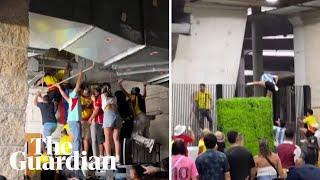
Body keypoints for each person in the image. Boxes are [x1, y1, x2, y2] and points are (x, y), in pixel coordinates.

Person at [118, 79, 154, 153]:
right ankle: (147, 151)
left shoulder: (133, 97)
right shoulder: (141, 97)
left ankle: (149, 142)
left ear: (133, 92)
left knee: (134, 135)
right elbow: (145, 95)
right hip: (146, 118)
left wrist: (120, 84)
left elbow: (125, 93)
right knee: (145, 134)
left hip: (139, 117)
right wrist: (144, 86)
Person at [55, 70, 82, 155]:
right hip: (73, 121)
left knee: (75, 138)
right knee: (76, 139)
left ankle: (74, 155)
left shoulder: (72, 99)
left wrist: (59, 87)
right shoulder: (73, 96)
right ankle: (75, 156)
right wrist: (80, 74)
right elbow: (77, 86)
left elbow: (63, 94)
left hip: (71, 121)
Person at [101, 84, 122, 163]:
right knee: (116, 139)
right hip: (117, 114)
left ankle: (108, 158)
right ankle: (117, 157)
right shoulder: (114, 97)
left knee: (107, 138)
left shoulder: (103, 95)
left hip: (108, 114)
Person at [88, 86, 105, 157]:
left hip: (100, 121)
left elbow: (97, 110)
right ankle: (101, 155)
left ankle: (102, 156)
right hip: (98, 121)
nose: (93, 93)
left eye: (94, 91)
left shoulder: (99, 98)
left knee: (101, 140)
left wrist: (91, 118)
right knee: (99, 140)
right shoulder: (97, 98)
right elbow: (91, 107)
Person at [80, 87, 93, 154]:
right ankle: (82, 155)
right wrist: (87, 105)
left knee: (86, 140)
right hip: (82, 121)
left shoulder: (91, 99)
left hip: (88, 121)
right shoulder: (80, 99)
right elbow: (81, 108)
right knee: (81, 140)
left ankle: (85, 156)